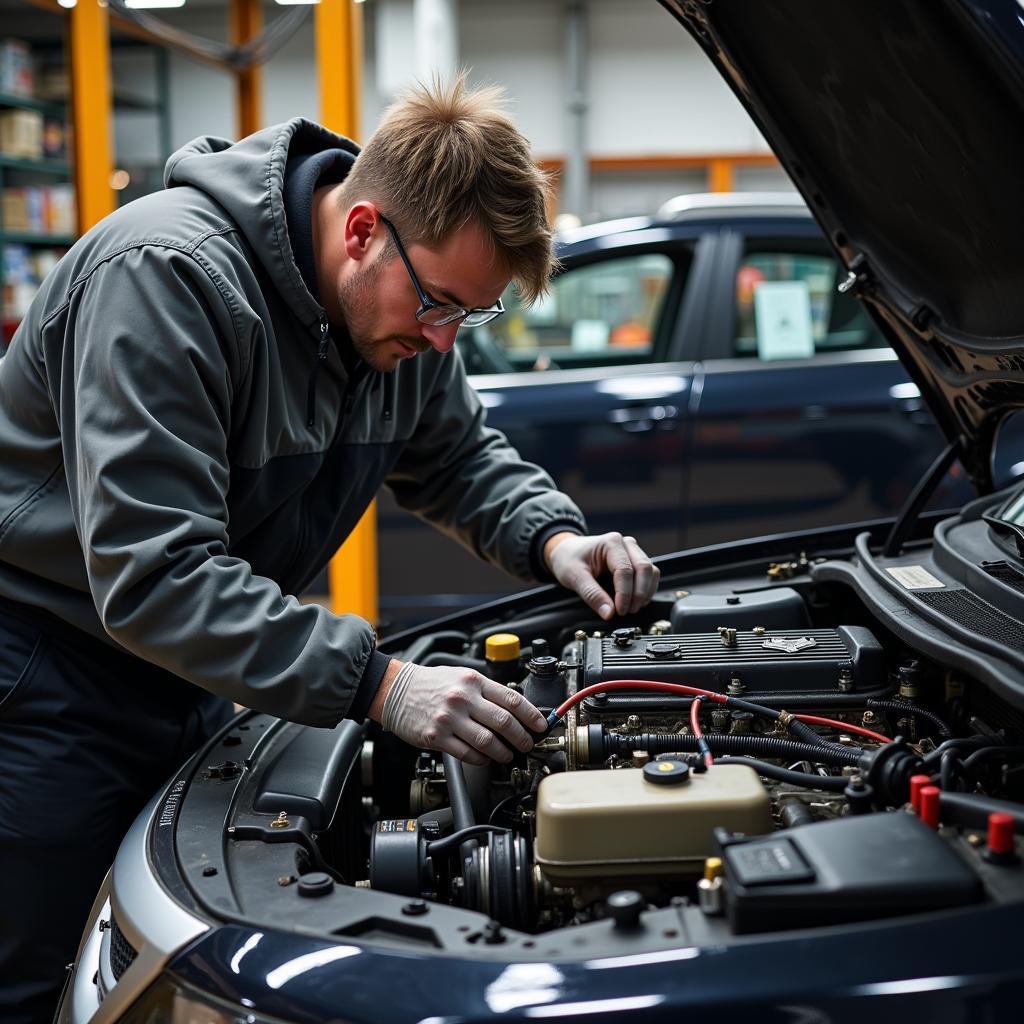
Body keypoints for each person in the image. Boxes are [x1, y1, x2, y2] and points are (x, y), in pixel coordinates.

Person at [0, 77, 659, 1022]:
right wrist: (383, 685)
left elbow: (458, 454)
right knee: (43, 981)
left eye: (467, 318)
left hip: (190, 674)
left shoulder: (401, 311)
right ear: (361, 230)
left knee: (153, 974)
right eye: (438, 306)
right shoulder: (164, 278)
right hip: (44, 680)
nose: (442, 341)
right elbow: (157, 578)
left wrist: (552, 536)